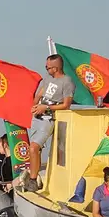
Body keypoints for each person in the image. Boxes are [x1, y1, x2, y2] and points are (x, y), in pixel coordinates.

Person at [25, 54, 75, 192]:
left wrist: (46, 108)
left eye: (48, 67)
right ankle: (32, 176)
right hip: (37, 118)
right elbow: (39, 94)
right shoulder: (47, 79)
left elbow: (66, 104)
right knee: (34, 149)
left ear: (56, 68)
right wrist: (35, 105)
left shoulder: (67, 82)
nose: (46, 69)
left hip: (48, 119)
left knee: (34, 147)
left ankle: (33, 180)